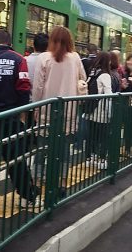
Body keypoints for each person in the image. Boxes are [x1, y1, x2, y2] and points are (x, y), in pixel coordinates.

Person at [0, 29, 38, 208]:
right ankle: (27, 196)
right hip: (9, 116)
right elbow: (23, 87)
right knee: (16, 159)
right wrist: (21, 112)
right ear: (10, 43)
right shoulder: (19, 59)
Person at [32, 26, 87, 193]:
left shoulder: (44, 58)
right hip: (68, 112)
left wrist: (36, 106)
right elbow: (82, 80)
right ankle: (61, 182)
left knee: (42, 149)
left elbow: (38, 87)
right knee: (63, 150)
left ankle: (37, 180)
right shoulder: (75, 58)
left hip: (46, 110)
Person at [82, 52, 113, 169]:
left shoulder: (92, 73)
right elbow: (108, 94)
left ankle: (89, 158)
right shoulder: (105, 75)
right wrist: (110, 113)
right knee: (103, 137)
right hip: (101, 111)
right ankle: (101, 160)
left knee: (91, 136)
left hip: (90, 110)